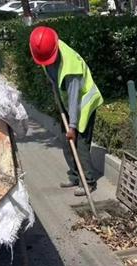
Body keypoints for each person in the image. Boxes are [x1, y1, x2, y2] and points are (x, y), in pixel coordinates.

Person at [28, 26, 103, 197]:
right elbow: (53, 78)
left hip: (83, 105)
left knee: (80, 144)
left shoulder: (71, 67)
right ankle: (75, 176)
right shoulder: (46, 48)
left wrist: (73, 126)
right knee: (65, 141)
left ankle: (88, 182)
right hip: (68, 104)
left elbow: (74, 97)